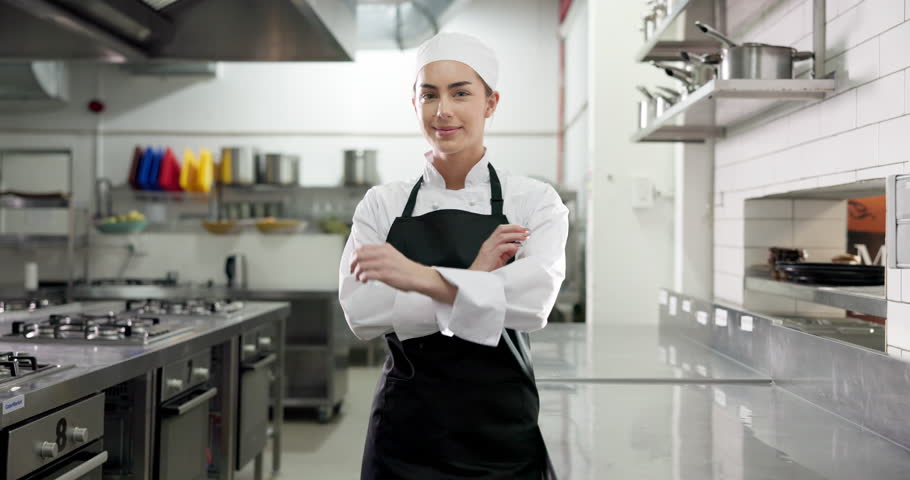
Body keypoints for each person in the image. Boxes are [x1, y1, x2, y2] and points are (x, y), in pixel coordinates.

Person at [338, 32, 568, 479]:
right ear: (415, 104)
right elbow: (361, 311)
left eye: (460, 93)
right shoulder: (382, 204)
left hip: (501, 433)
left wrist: (419, 278)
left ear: (490, 103)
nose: (442, 110)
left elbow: (532, 302)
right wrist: (478, 279)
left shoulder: (534, 201)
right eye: (429, 95)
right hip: (404, 434)